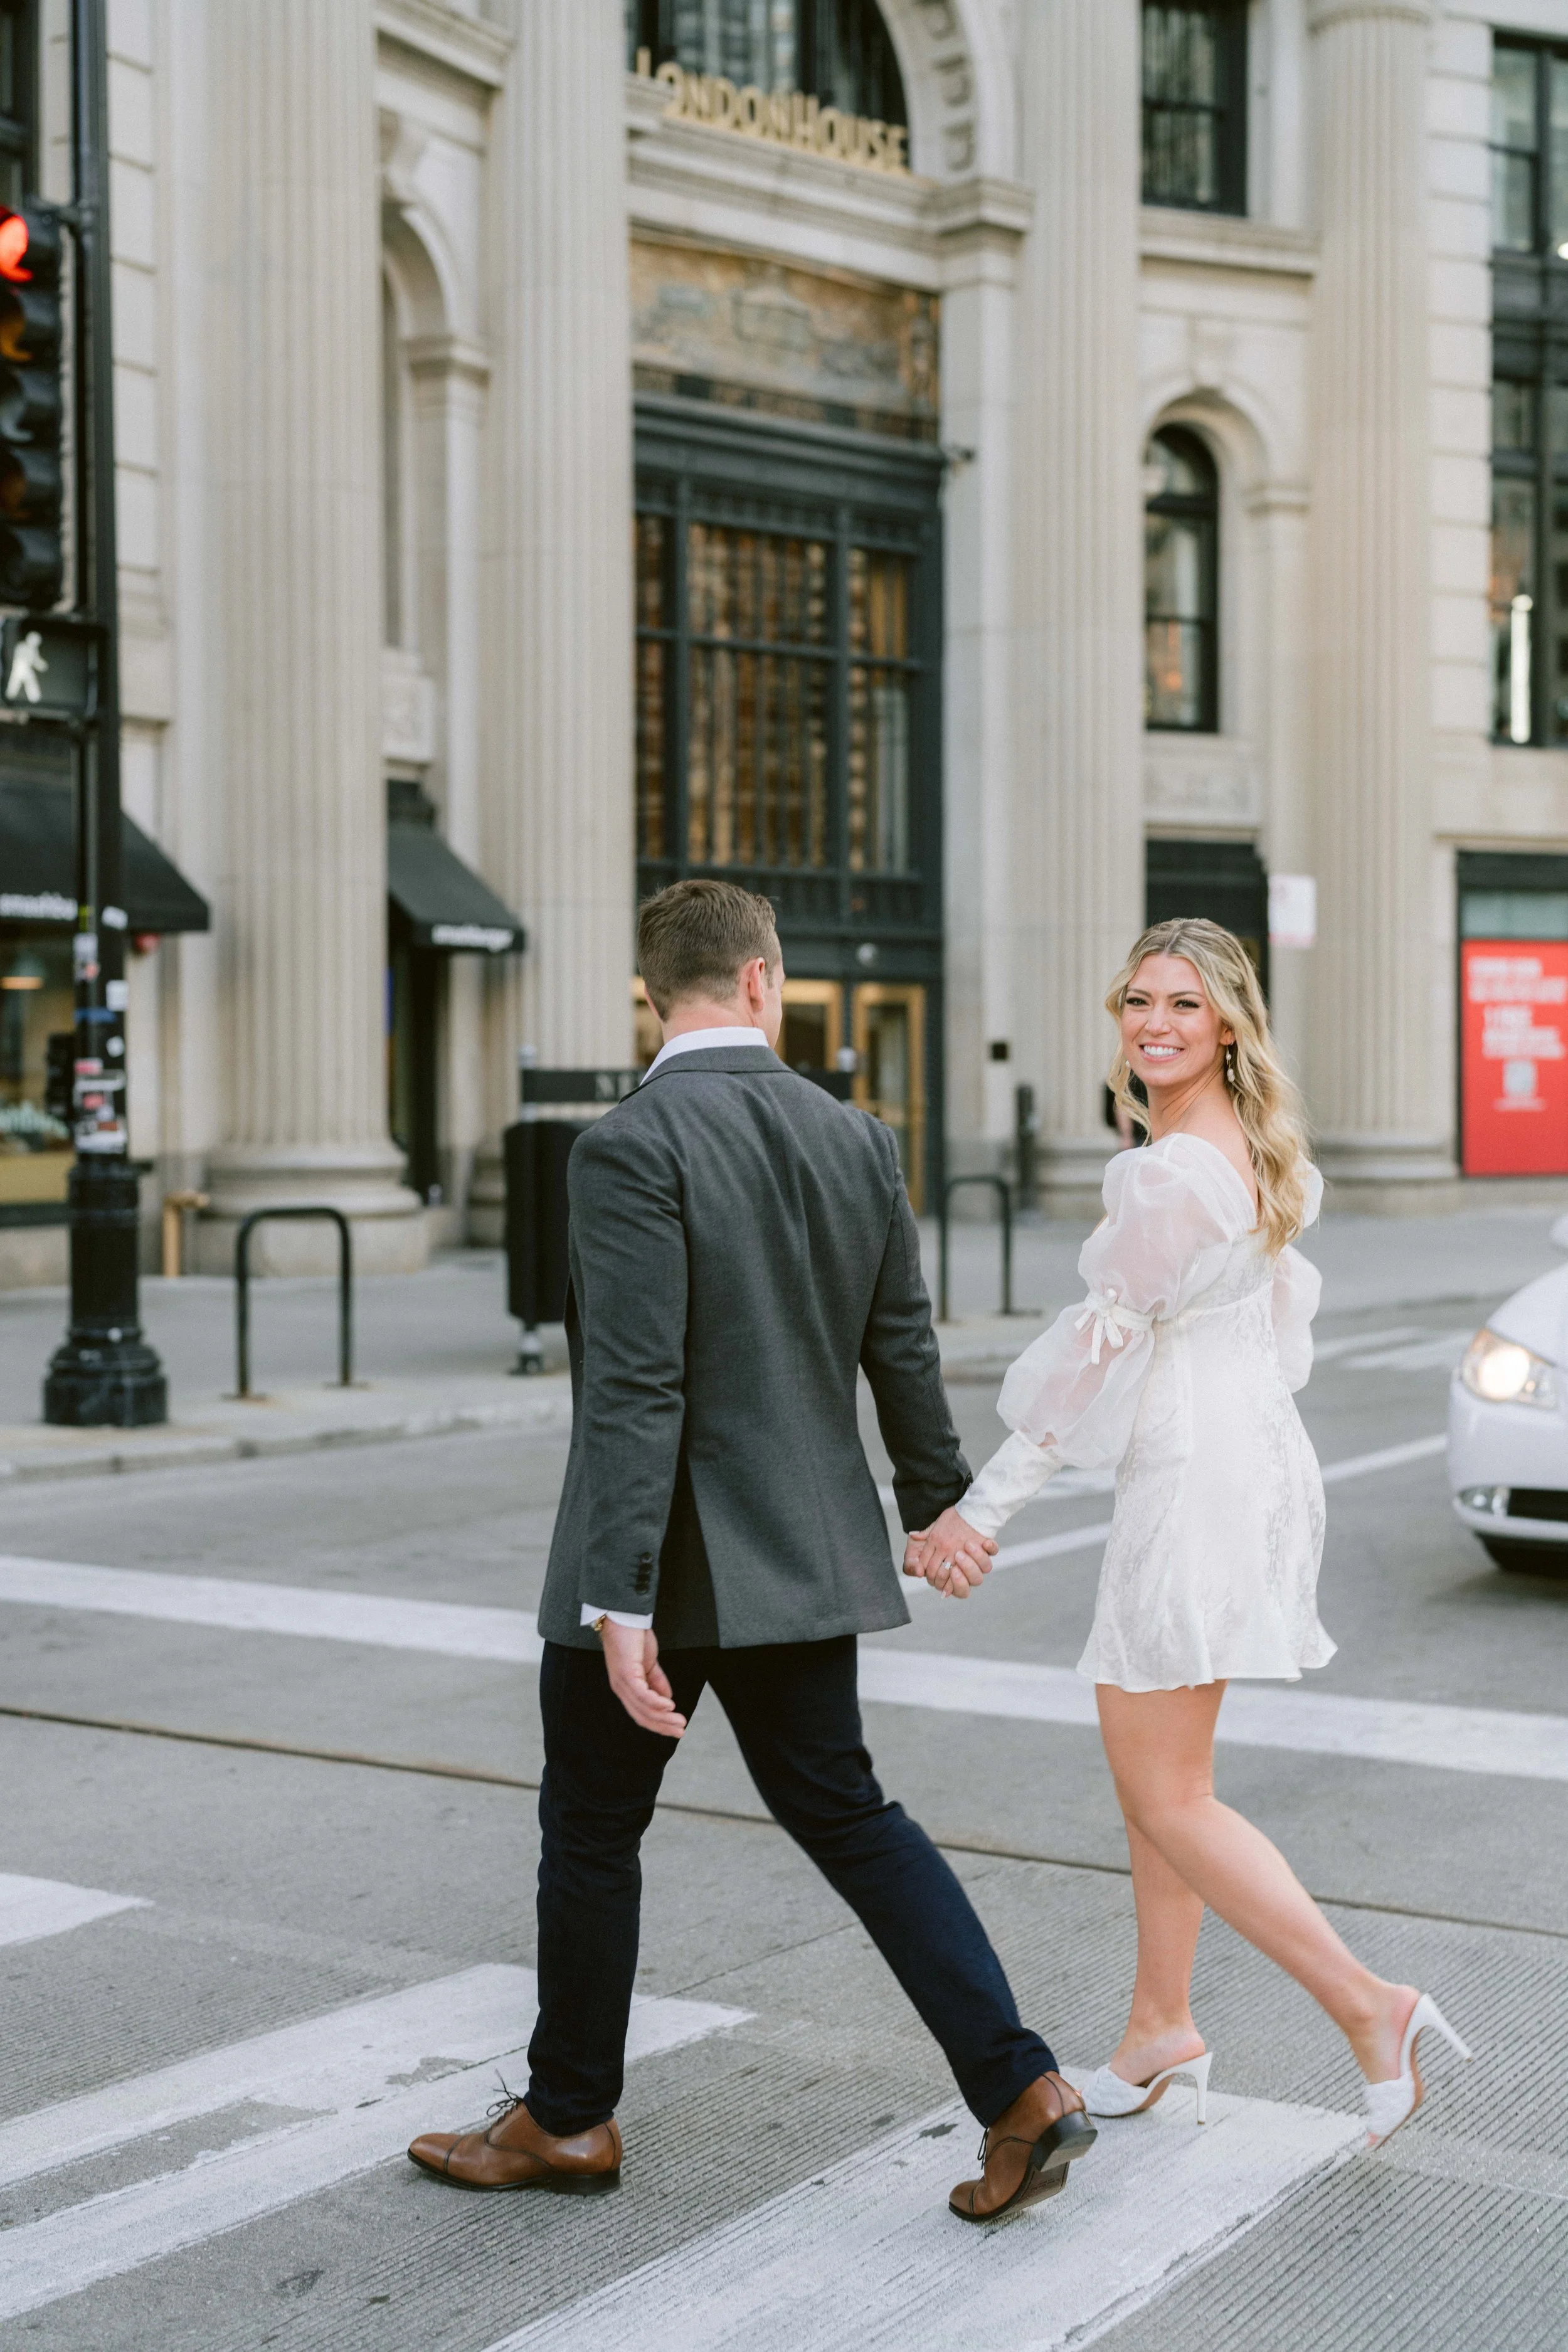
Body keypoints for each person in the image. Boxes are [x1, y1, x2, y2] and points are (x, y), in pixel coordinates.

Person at [408, 878, 1095, 2222]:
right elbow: (898, 1342)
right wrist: (933, 1502)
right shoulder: (857, 1140)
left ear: (651, 995)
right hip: (797, 1563)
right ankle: (1021, 2092)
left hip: (660, 1574)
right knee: (852, 1818)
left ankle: (567, 2118)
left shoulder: (625, 1145)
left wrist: (617, 1599)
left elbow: (632, 1389)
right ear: (764, 983)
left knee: (592, 1833)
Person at [906, 919, 1471, 2150]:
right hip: (1244, 1460)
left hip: (1199, 1481)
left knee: (1167, 1795)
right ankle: (1160, 2030)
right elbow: (1272, 1332)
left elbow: (1087, 1359)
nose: (1151, 1022)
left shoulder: (1168, 1172)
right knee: (1159, 1784)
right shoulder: (1245, 1149)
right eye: (1135, 1001)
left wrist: (973, 1514)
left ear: (1226, 1026)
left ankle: (1368, 2007)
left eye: (1179, 1004)